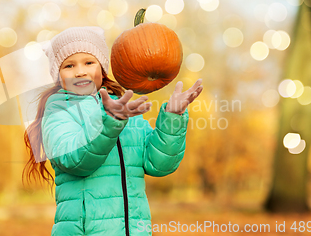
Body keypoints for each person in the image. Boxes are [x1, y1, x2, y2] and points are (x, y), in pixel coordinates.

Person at [23, 26, 203, 236]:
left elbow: (159, 165)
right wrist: (109, 122)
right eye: (69, 65)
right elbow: (75, 161)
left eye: (89, 62)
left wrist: (173, 117)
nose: (80, 71)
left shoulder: (123, 108)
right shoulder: (58, 110)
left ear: (102, 68)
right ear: (58, 75)